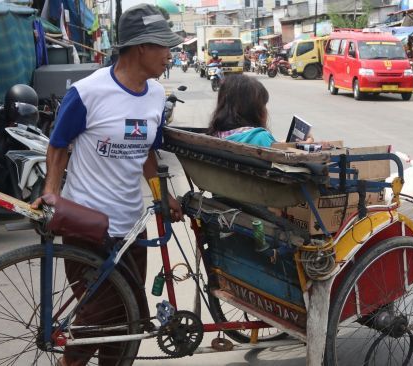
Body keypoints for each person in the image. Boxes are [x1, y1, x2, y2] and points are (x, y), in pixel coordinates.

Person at [31, 4, 183, 365]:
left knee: (126, 320)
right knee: (96, 320)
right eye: (163, 46)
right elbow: (58, 145)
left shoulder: (156, 95)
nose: (169, 54)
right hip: (86, 224)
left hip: (131, 226)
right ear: (140, 47)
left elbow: (148, 154)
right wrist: (52, 191)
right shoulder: (88, 92)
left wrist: (165, 195)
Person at [208, 74, 313, 147]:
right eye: (263, 105)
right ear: (253, 110)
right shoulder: (260, 138)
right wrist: (303, 148)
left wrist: (286, 144)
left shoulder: (216, 135)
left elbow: (272, 148)